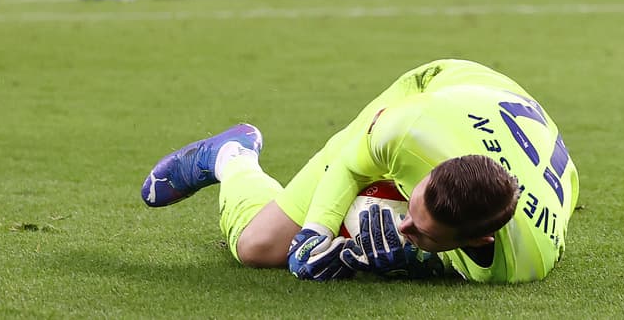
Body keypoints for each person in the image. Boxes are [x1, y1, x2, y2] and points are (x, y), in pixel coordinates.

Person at [140, 59, 577, 284]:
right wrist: (314, 233)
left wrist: (419, 262)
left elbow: (471, 267)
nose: (407, 225)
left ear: (481, 239)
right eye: (413, 208)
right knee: (260, 246)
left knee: (288, 246)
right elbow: (350, 164)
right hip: (447, 87)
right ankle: (231, 155)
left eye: (423, 231)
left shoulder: (524, 261)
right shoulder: (409, 131)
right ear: (432, 172)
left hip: (498, 123)